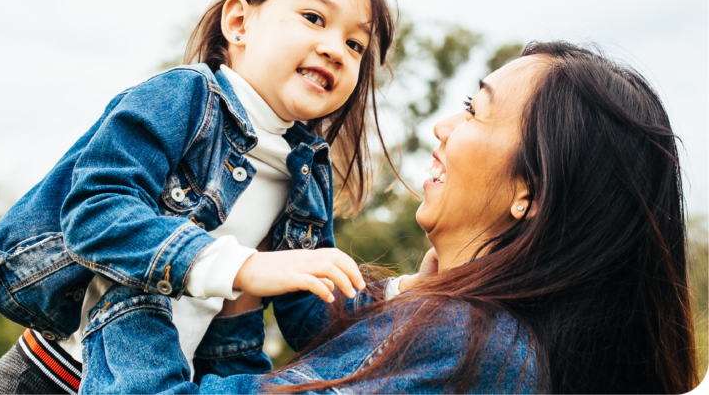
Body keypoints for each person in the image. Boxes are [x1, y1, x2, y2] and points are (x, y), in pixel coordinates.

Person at [80, 41, 697, 395]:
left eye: (475, 113)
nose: (443, 129)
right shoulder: (490, 341)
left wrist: (130, 286)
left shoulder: (464, 342)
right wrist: (241, 303)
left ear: (530, 193)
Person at [0, 0, 400, 393]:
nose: (335, 49)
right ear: (239, 22)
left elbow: (310, 314)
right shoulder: (184, 98)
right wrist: (243, 266)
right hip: (54, 374)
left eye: (356, 44)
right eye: (314, 18)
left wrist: (408, 296)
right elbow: (95, 212)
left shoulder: (304, 173)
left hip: (164, 379)